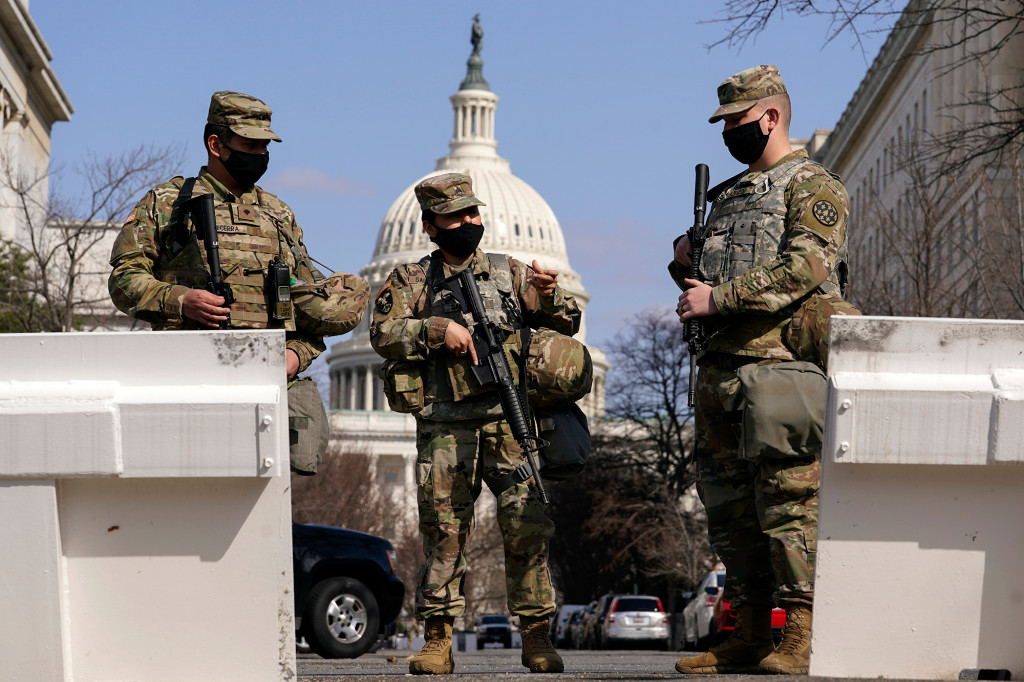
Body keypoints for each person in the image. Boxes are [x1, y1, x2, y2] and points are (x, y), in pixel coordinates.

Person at [670, 65, 850, 675]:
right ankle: (745, 631)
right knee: (728, 504)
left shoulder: (813, 185)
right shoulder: (728, 197)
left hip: (778, 369)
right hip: (719, 370)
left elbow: (806, 269)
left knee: (787, 502)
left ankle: (798, 634)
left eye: (738, 123)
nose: (729, 135)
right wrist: (687, 271)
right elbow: (710, 283)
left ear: (770, 118)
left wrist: (716, 299)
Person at [370, 172, 580, 675]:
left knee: (528, 528)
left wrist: (549, 297)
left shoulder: (512, 273)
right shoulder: (411, 281)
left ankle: (536, 637)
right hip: (446, 427)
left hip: (508, 422)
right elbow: (382, 333)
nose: (468, 222)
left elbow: (567, 322)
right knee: (444, 533)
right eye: (456, 216)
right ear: (430, 225)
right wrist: (437, 330)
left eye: (472, 213)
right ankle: (438, 639)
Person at [108, 91, 365, 382]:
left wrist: (297, 354)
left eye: (264, 146)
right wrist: (181, 299)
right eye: (250, 145)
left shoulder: (278, 213)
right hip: (192, 366)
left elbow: (308, 300)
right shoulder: (168, 202)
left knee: (310, 420)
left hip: (270, 371)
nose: (260, 155)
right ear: (216, 144)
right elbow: (123, 280)